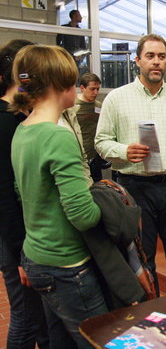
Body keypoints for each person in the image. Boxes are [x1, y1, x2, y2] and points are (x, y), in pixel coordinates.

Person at [10, 44, 108, 348]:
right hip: (66, 263)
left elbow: (23, 192)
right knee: (99, 337)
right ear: (59, 85)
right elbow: (82, 214)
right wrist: (110, 208)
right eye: (72, 80)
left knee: (60, 339)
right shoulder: (58, 135)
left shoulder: (23, 130)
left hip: (37, 254)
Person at [95, 34, 166, 295]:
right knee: (143, 261)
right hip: (134, 188)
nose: (156, 62)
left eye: (162, 57)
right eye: (150, 56)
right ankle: (149, 315)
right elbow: (101, 141)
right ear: (138, 60)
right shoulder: (116, 99)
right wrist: (124, 151)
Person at [0, 39, 49, 349]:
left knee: (39, 318)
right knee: (26, 317)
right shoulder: (8, 122)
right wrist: (21, 254)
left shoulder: (18, 115)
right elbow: (6, 195)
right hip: (16, 239)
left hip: (20, 237)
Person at [75, 72, 109, 182]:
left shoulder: (99, 106)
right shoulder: (72, 106)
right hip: (78, 156)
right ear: (82, 88)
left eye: (98, 89)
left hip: (94, 157)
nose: (95, 93)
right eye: (92, 89)